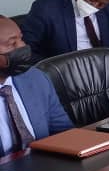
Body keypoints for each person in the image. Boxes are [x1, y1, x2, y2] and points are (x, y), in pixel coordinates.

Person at [0, 16, 73, 155]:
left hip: (45, 163)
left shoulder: (36, 78)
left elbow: (63, 131)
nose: (22, 46)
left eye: (21, 39)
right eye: (12, 43)